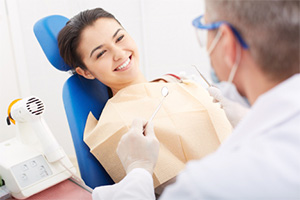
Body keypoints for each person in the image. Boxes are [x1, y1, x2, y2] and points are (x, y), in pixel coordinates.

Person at [92, 1, 300, 199]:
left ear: (227, 43)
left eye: (204, 29)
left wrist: (138, 171)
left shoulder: (203, 187)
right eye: (100, 53)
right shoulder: (114, 122)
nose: (118, 54)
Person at [57, 8, 232, 194]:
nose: (119, 53)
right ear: (86, 72)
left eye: (119, 38)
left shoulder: (173, 80)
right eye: (101, 53)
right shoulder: (117, 126)